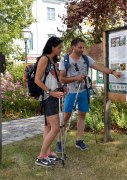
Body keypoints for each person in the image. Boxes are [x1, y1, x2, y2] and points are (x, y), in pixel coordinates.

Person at [56, 37, 121, 152]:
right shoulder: (65, 60)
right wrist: (76, 78)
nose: (82, 49)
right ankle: (59, 141)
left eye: (83, 47)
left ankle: (79, 140)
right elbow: (62, 79)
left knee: (82, 115)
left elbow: (99, 67)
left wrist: (112, 72)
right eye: (80, 47)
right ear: (73, 47)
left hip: (84, 91)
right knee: (66, 117)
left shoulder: (86, 59)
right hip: (71, 92)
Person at [34, 37, 65, 167]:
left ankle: (48, 153)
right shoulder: (44, 59)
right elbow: (37, 80)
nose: (61, 49)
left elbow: (51, 79)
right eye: (59, 47)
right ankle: (41, 156)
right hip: (48, 98)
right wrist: (50, 92)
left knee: (48, 127)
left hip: (53, 96)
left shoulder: (52, 60)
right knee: (56, 127)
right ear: (52, 47)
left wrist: (61, 89)